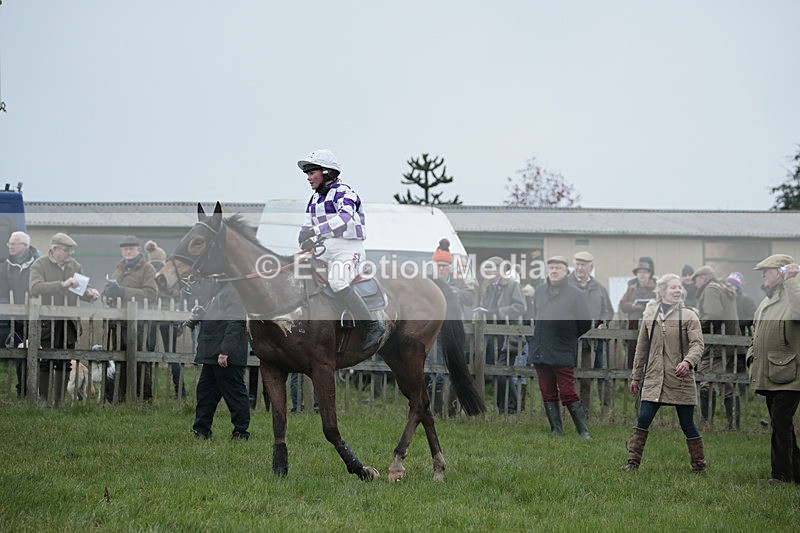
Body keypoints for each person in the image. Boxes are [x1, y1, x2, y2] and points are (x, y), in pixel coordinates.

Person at [296, 149, 385, 351]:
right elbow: (306, 224)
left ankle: (371, 324)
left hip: (348, 248)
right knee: (297, 275)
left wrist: (314, 231)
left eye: (312, 173)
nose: (309, 178)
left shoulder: (345, 192)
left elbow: (344, 218)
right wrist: (304, 240)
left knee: (337, 281)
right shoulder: (314, 199)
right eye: (308, 174)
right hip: (324, 248)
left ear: (326, 172)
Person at [623, 273, 706, 472]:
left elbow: (698, 345)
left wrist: (688, 362)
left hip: (679, 378)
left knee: (687, 423)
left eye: (679, 287)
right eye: (673, 287)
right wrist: (636, 376)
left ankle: (699, 466)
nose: (678, 290)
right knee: (643, 419)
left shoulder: (689, 315)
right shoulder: (650, 313)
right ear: (662, 291)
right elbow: (641, 347)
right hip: (653, 377)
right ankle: (632, 463)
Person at [29, 232, 101, 405]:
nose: (70, 254)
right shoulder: (39, 265)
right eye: (67, 250)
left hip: (69, 321)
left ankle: (59, 401)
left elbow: (82, 288)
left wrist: (90, 293)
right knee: (46, 359)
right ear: (55, 249)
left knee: (64, 361)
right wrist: (62, 285)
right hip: (47, 321)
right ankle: (44, 400)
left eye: (71, 251)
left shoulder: (74, 265)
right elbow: (35, 287)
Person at [746, 254, 800, 484]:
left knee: (780, 422)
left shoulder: (793, 295)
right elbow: (756, 331)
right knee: (782, 425)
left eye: (767, 270)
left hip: (790, 375)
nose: (763, 275)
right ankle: (795, 472)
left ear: (781, 273)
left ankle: (781, 474)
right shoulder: (767, 300)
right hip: (771, 373)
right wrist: (751, 355)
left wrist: (793, 279)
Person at [530, 256, 592, 438]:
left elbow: (586, 322)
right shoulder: (540, 291)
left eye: (558, 268)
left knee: (567, 391)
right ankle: (556, 430)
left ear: (566, 271)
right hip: (541, 349)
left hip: (563, 349)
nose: (554, 271)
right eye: (551, 268)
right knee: (547, 391)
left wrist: (568, 335)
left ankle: (583, 431)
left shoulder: (576, 294)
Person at [192, 278, 251, 440]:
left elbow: (236, 321)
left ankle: (241, 432)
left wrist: (225, 351)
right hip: (212, 354)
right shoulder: (218, 288)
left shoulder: (233, 289)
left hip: (226, 356)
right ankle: (201, 431)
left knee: (235, 396)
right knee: (205, 395)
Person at [103, 235, 158, 402]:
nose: (127, 251)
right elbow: (109, 289)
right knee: (119, 360)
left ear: (138, 250)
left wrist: (123, 291)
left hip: (137, 323)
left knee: (140, 361)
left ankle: (144, 398)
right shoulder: (119, 267)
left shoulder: (147, 269)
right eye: (124, 248)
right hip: (117, 321)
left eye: (131, 248)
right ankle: (121, 397)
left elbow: (151, 294)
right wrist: (107, 294)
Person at [427, 238, 476, 416]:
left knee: (454, 369)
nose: (441, 269)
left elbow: (470, 298)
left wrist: (452, 292)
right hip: (434, 332)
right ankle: (437, 410)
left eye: (444, 266)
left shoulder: (458, 283)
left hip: (454, 332)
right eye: (439, 265)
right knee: (434, 371)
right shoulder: (429, 282)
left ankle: (452, 409)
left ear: (450, 267)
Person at [692, 265, 740, 429]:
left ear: (703, 278)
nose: (695, 284)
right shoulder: (724, 289)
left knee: (706, 381)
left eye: (696, 280)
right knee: (727, 383)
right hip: (728, 343)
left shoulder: (711, 289)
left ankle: (706, 423)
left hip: (715, 345)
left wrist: (698, 325)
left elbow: (714, 314)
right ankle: (733, 424)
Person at [568, 251, 615, 417]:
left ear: (590, 267)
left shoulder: (598, 287)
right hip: (569, 339)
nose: (580, 268)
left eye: (584, 265)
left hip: (590, 341)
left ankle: (584, 412)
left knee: (586, 378)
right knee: (567, 377)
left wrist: (603, 322)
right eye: (577, 264)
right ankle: (567, 411)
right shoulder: (565, 284)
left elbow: (608, 310)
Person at [480, 255, 526, 414]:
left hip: (508, 334)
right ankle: (502, 408)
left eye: (492, 267)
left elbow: (520, 306)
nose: (489, 271)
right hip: (492, 335)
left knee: (503, 370)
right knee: (497, 372)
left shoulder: (512, 285)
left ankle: (513, 407)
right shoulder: (489, 288)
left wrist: (499, 312)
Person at [0, 231, 41, 397]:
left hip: (36, 316)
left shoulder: (38, 263)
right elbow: (2, 292)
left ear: (25, 245)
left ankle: (38, 389)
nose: (10, 246)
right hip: (16, 318)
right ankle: (21, 390)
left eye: (14, 243)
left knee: (38, 352)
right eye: (9, 243)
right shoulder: (5, 267)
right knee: (19, 352)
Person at [144, 240, 186, 399]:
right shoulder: (168, 272)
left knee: (147, 352)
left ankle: (146, 390)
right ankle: (180, 391)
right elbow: (178, 293)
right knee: (172, 353)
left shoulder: (148, 271)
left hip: (151, 316)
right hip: (169, 317)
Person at [619, 260, 657, 367]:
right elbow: (623, 305)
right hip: (634, 327)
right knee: (633, 350)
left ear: (650, 274)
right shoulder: (631, 289)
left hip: (652, 327)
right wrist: (634, 306)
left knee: (652, 351)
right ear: (636, 274)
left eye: (645, 272)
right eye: (640, 272)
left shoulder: (656, 288)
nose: (642, 274)